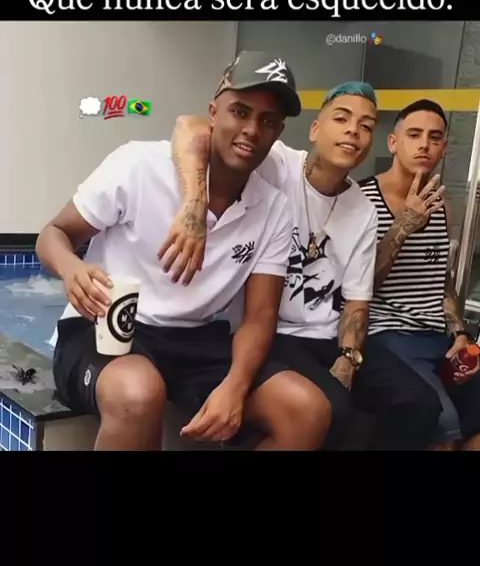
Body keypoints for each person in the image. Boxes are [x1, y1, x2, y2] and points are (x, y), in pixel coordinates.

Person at [36, 50, 333, 451]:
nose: (251, 130)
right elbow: (53, 234)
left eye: (267, 121)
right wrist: (71, 269)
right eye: (240, 112)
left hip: (196, 340)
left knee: (307, 409)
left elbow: (260, 316)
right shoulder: (140, 165)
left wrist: (235, 386)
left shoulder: (274, 208)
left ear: (278, 132)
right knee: (138, 393)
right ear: (213, 113)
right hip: (106, 329)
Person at [160, 81, 442, 450]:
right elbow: (191, 127)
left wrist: (348, 358)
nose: (353, 131)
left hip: (326, 337)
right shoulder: (276, 163)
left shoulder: (363, 209)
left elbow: (357, 301)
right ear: (314, 129)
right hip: (269, 332)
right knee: (332, 409)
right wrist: (195, 203)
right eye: (341, 119)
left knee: (420, 404)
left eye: (366, 126)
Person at [359, 98, 480, 451]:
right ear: (393, 142)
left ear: (444, 149)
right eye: (414, 135)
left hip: (436, 338)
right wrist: (402, 226)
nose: (424, 144)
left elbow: (441, 280)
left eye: (434, 137)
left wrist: (459, 333)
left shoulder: (441, 207)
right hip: (385, 336)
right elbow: (357, 287)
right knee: (442, 425)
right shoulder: (362, 200)